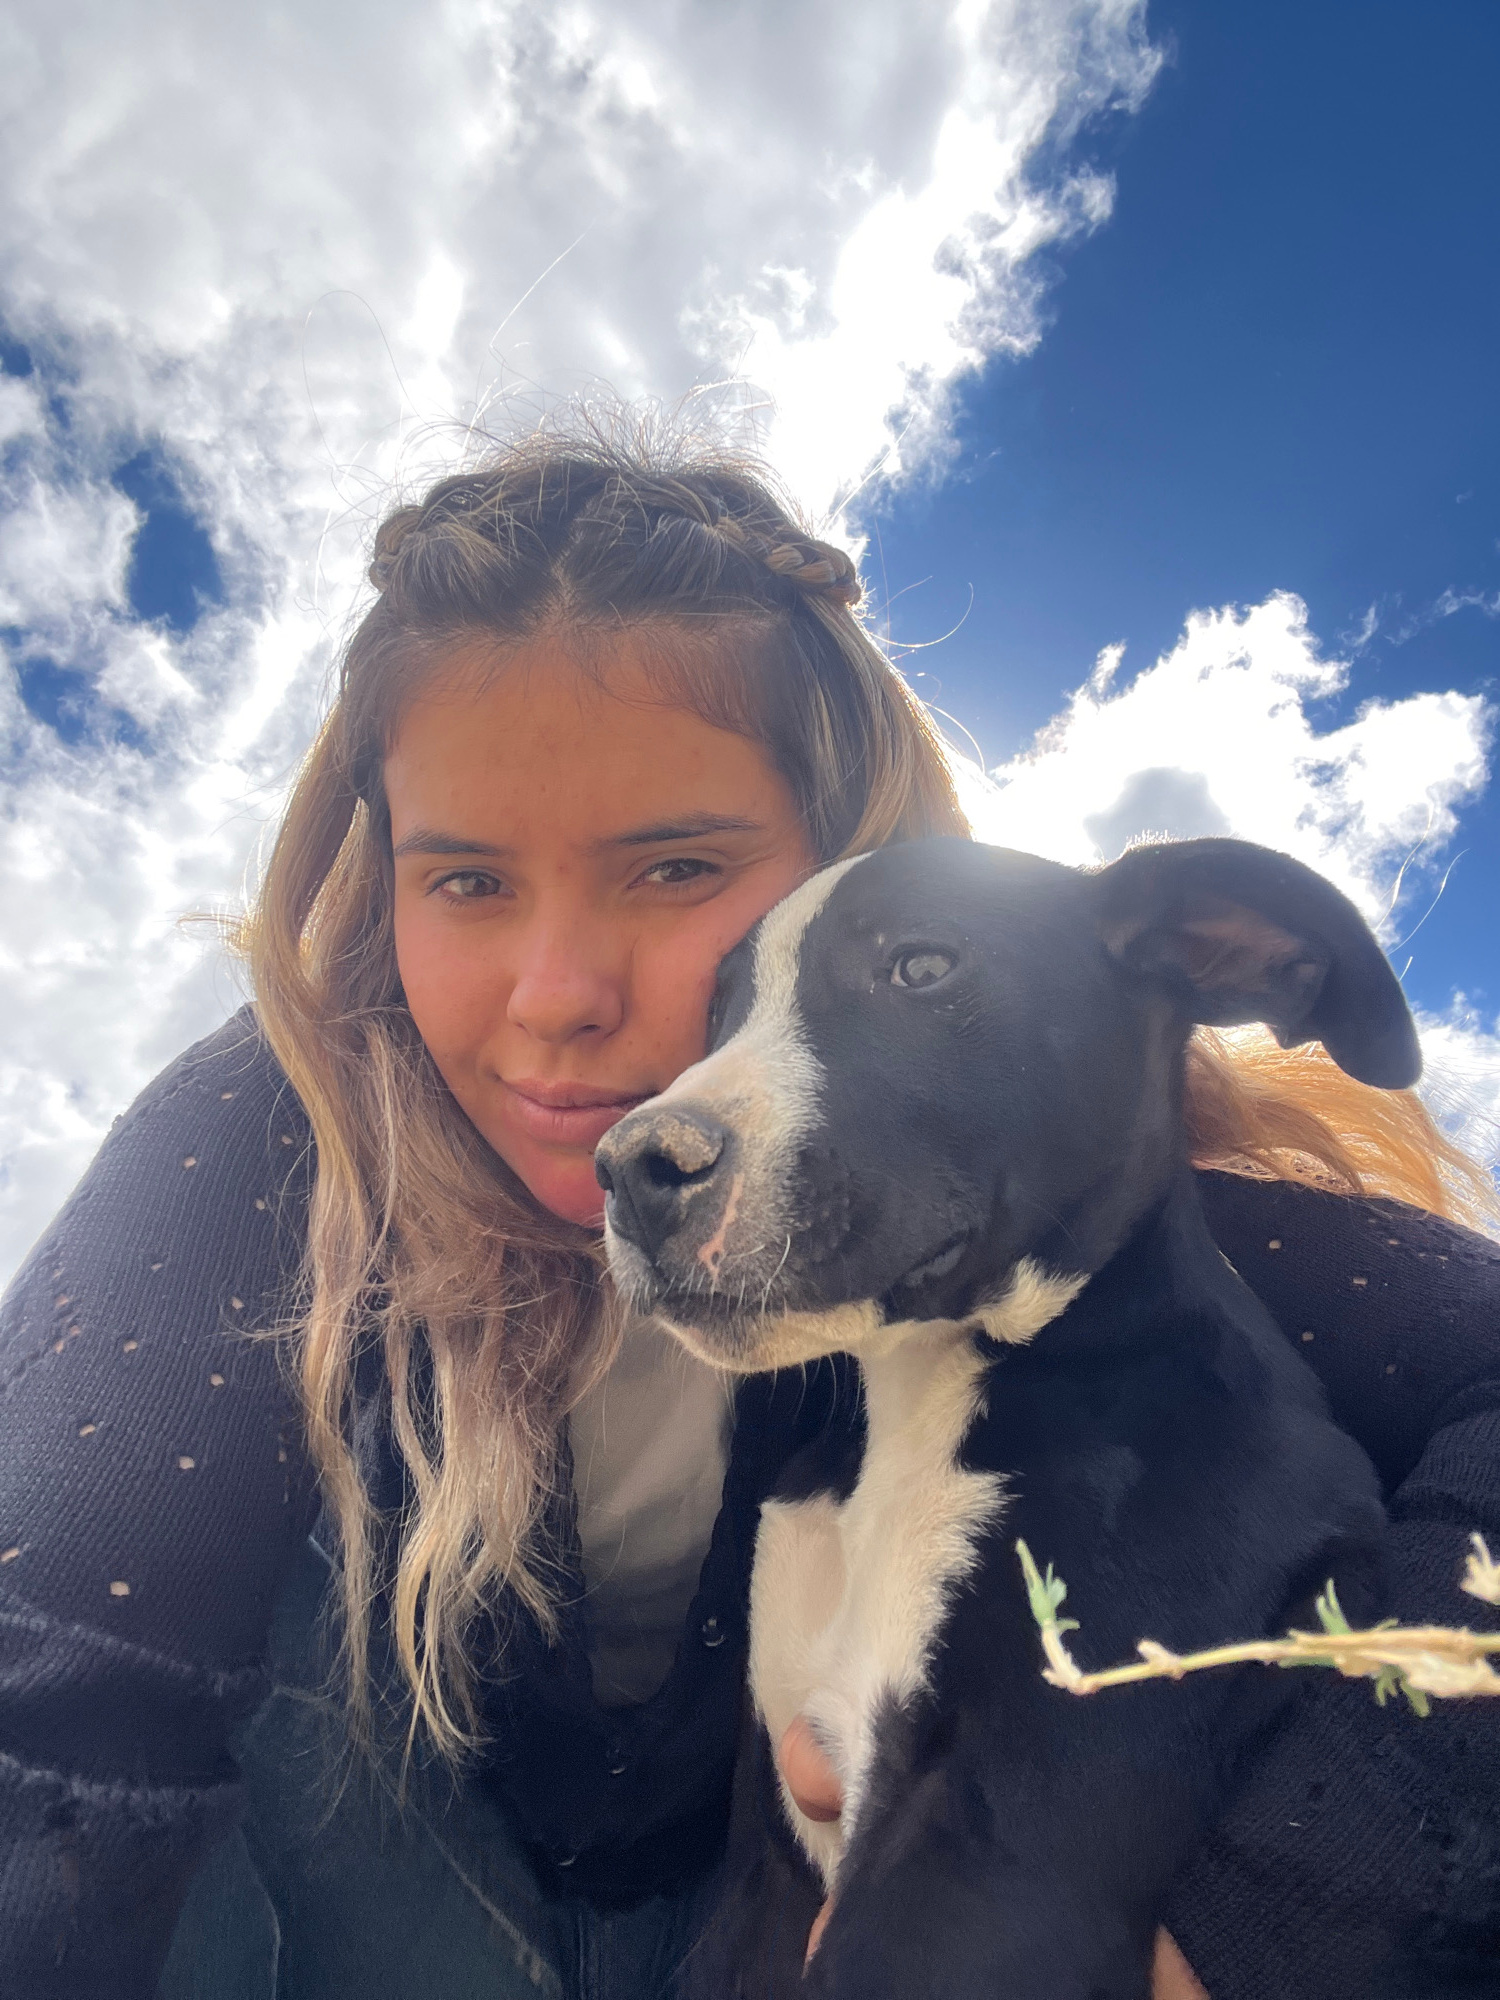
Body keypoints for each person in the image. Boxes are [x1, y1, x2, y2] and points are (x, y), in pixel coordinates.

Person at [0, 423, 1496, 2000]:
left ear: (848, 866)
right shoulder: (292, 1114)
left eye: (672, 869)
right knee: (260, 1595)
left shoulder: (1032, 1177)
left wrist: (1276, 1908)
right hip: (393, 1886)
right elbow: (51, 1679)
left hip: (780, 1915)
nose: (555, 995)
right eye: (467, 881)